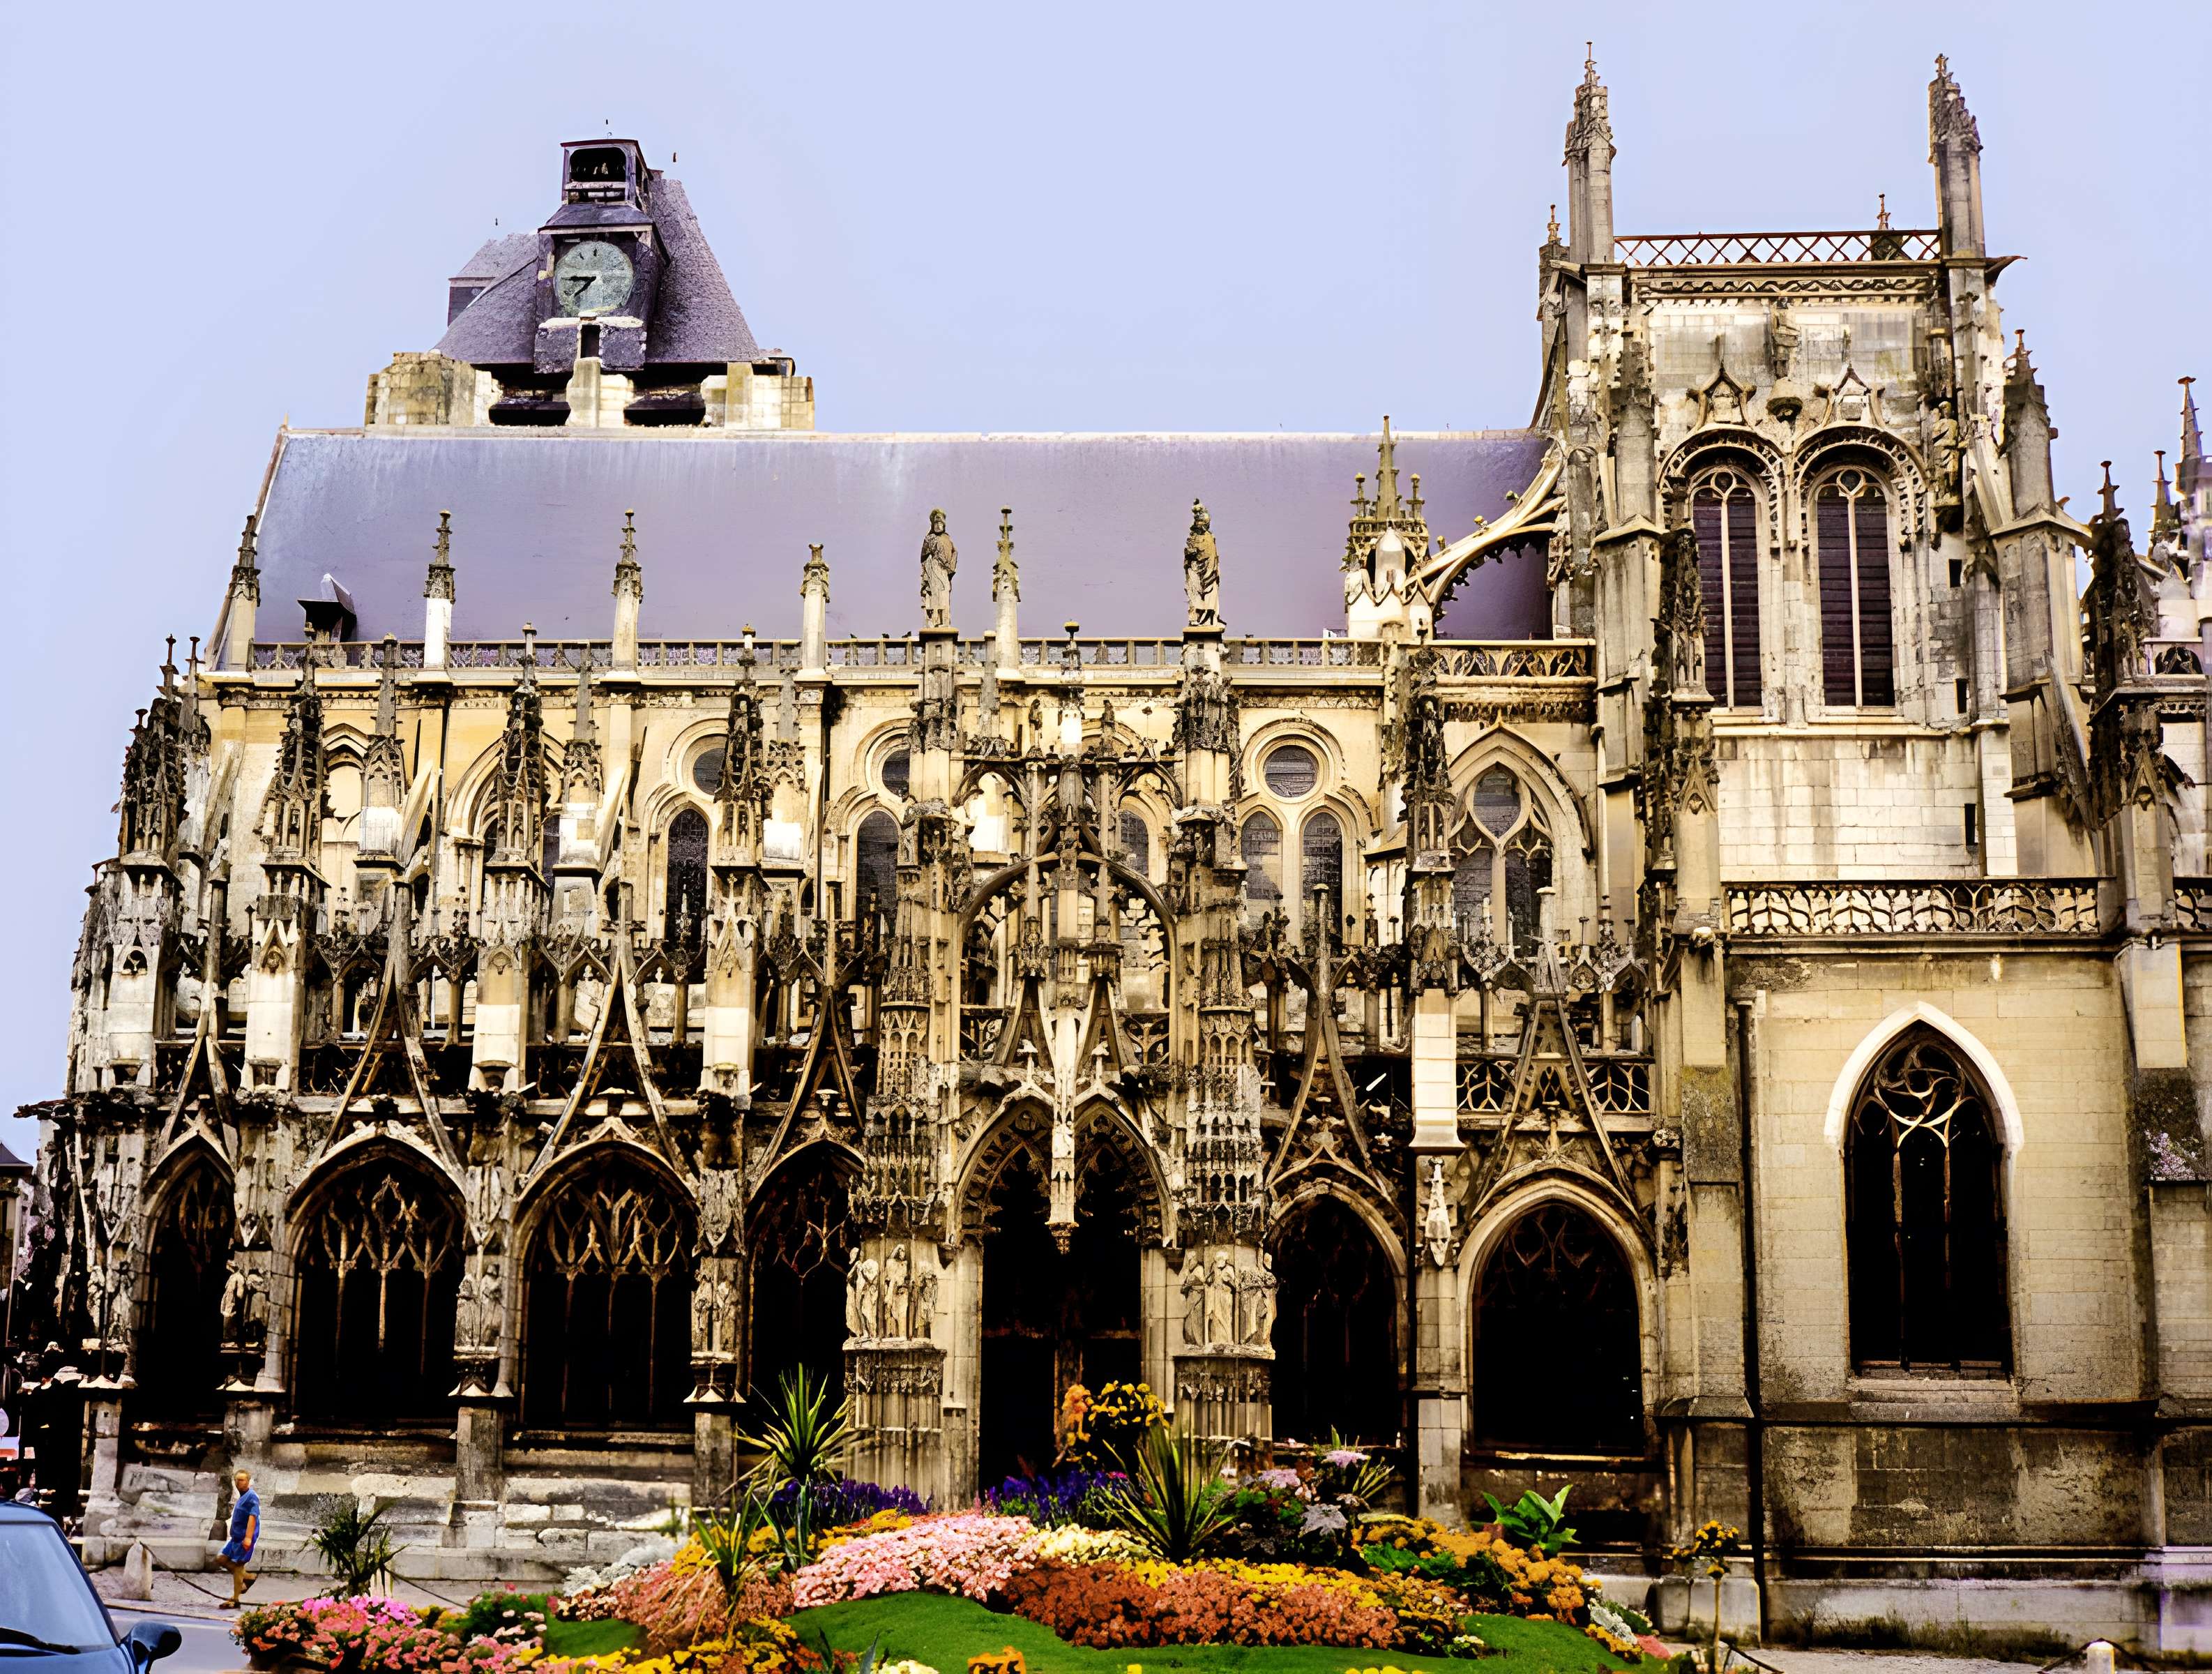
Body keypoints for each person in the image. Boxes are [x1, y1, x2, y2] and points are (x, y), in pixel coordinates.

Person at [220, 1468, 259, 1606]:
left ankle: (236, 1599)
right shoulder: (242, 1496)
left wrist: (248, 1538)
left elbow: (253, 1517)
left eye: (242, 1480)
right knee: (221, 1559)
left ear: (248, 1481)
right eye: (237, 1480)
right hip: (235, 1539)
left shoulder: (252, 1497)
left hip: (244, 1539)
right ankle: (248, 1577)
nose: (238, 1483)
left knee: (238, 1567)